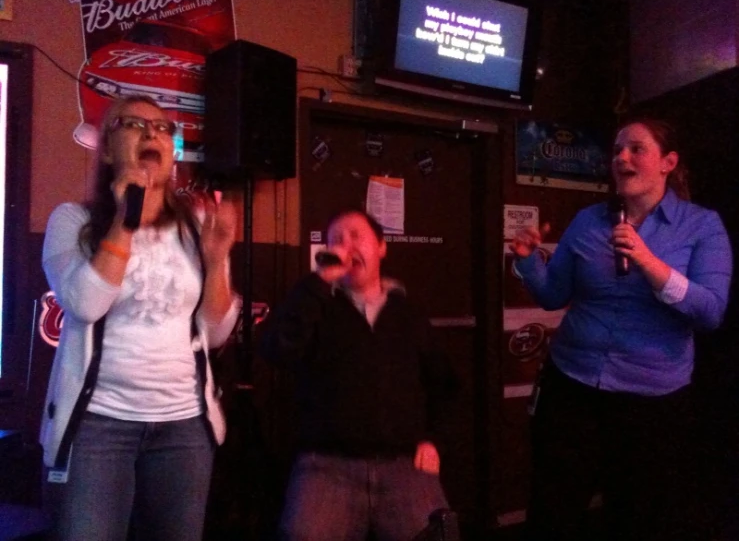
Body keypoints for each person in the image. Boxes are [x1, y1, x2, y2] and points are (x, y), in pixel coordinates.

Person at [511, 118, 733, 541]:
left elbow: (711, 312)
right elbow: (554, 296)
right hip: (571, 387)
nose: (621, 158)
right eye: (616, 150)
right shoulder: (587, 220)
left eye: (635, 149)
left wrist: (650, 263)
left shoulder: (702, 226)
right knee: (553, 509)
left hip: (651, 403)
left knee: (637, 517)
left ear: (668, 162)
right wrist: (527, 261)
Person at [40, 95, 241, 540]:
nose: (152, 133)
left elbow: (217, 332)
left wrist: (217, 258)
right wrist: (126, 218)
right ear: (109, 151)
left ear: (172, 152)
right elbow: (86, 303)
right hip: (98, 426)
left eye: (163, 128)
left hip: (184, 428)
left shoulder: (196, 226)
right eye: (133, 124)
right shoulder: (71, 222)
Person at [260, 209, 456, 541]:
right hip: (326, 464)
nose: (345, 246)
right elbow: (276, 349)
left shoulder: (408, 314)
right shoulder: (316, 305)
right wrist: (317, 283)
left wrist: (432, 438)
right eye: (336, 239)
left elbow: (444, 383)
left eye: (356, 236)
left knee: (436, 535)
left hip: (401, 462)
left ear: (381, 247)